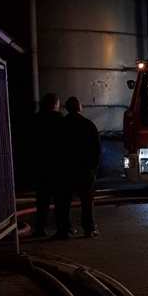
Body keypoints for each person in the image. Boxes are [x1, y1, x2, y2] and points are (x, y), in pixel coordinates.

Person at [54, 97, 101, 239]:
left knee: (63, 201)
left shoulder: (61, 125)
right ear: (79, 108)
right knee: (87, 201)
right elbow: (96, 149)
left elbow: (55, 149)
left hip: (66, 170)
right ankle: (89, 229)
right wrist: (93, 168)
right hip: (84, 170)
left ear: (66, 108)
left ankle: (64, 230)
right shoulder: (88, 124)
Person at [31, 93, 62, 237]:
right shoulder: (59, 119)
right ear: (54, 104)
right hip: (57, 166)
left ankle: (40, 228)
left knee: (42, 201)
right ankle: (61, 229)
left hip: (40, 166)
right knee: (60, 200)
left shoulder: (36, 120)